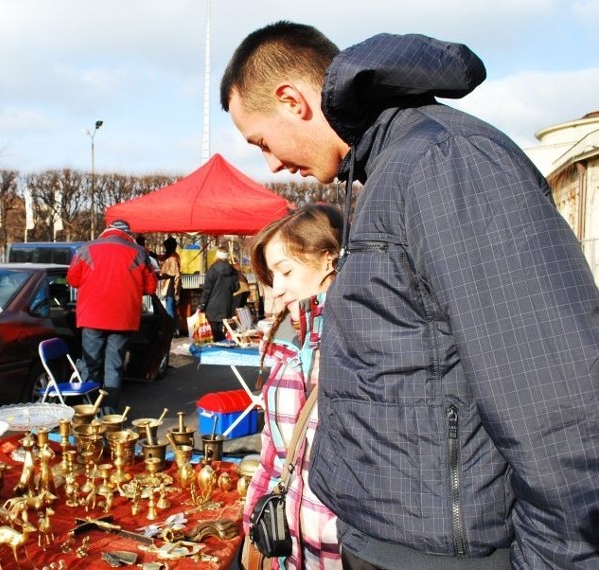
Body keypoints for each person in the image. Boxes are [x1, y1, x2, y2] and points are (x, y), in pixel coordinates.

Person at [221, 22, 598, 569]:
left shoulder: (445, 163)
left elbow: (555, 399)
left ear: (292, 100)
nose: (272, 164)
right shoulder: (392, 170)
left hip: (441, 553)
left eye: (262, 142)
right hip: (399, 541)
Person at [242, 204, 343, 569]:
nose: (277, 287)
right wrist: (253, 518)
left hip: (337, 548)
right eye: (272, 274)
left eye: (286, 270)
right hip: (287, 546)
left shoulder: (361, 339)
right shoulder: (284, 335)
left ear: (329, 258)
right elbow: (273, 450)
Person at [67, 219, 158, 415]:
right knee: (114, 368)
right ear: (128, 234)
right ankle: (109, 418)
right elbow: (151, 287)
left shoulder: (85, 249)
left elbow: (72, 279)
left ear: (106, 231)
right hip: (123, 319)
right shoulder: (139, 253)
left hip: (91, 318)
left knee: (91, 366)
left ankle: (88, 415)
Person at [198, 246, 239, 342]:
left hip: (212, 306)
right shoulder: (233, 271)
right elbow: (236, 288)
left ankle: (219, 347)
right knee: (222, 329)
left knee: (215, 331)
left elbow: (207, 290)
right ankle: (223, 345)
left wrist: (202, 305)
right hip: (227, 305)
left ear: (217, 255)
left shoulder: (212, 269)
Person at [157, 236, 181, 323]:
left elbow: (174, 273)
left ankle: (171, 326)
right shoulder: (172, 256)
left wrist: (161, 276)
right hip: (169, 284)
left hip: (170, 285)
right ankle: (174, 327)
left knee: (170, 306)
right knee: (172, 307)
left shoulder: (172, 257)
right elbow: (162, 258)